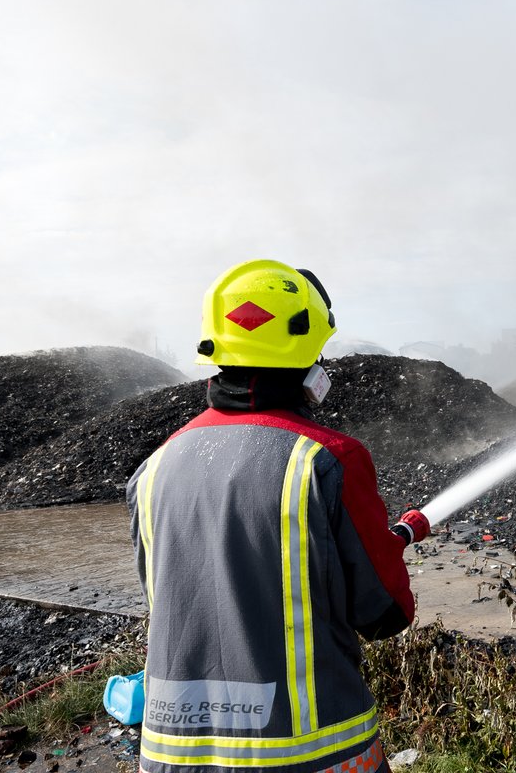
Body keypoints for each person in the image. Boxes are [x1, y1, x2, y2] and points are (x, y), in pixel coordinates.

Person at [128, 260, 426, 773]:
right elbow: (382, 614)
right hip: (311, 751)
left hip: (169, 756)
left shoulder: (153, 469)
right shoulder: (328, 460)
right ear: (309, 357)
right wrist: (390, 543)